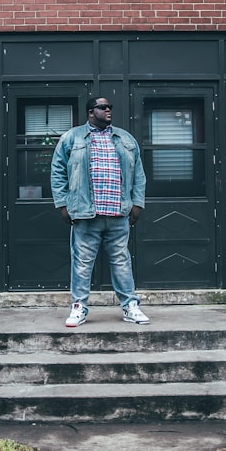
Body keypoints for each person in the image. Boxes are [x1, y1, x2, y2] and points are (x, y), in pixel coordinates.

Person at [51, 95, 150, 327]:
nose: (108, 110)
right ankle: (79, 307)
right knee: (82, 262)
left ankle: (130, 306)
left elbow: (139, 174)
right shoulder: (72, 138)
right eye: (102, 107)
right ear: (90, 112)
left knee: (121, 261)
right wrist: (62, 204)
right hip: (85, 214)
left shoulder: (125, 138)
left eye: (109, 107)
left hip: (118, 213)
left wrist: (137, 203)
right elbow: (57, 173)